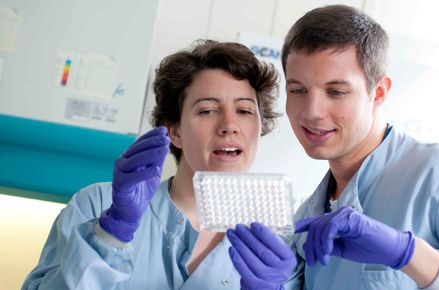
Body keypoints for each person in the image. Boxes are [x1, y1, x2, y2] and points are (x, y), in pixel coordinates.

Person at [22, 40, 302, 289]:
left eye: (244, 111)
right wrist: (111, 235)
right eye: (207, 110)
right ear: (175, 131)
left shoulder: (279, 245)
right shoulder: (96, 205)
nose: (229, 125)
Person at [280, 4, 439, 290]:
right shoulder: (305, 219)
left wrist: (408, 254)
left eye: (336, 92)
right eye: (297, 90)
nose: (312, 111)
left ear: (379, 92)